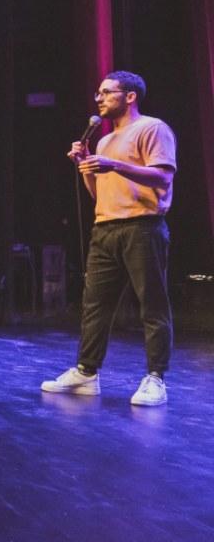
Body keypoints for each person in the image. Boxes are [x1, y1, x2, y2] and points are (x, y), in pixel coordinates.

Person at [42, 71, 177, 406]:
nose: (99, 98)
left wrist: (112, 165)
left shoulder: (152, 128)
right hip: (105, 228)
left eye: (106, 92)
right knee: (94, 306)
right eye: (97, 94)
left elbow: (162, 175)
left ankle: (156, 378)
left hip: (142, 226)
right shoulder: (103, 142)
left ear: (129, 96)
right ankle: (87, 373)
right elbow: (98, 193)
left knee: (152, 305)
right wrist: (86, 165)